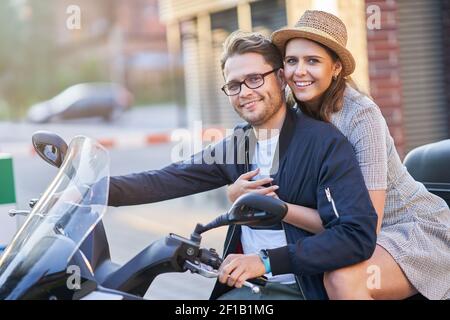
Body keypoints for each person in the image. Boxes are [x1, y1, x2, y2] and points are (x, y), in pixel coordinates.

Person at [108, 31, 378, 300]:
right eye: (234, 85)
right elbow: (165, 179)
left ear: (281, 78)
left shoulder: (324, 143)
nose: (245, 92)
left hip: (300, 289)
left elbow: (355, 236)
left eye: (254, 79)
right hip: (247, 287)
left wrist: (266, 261)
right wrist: (88, 188)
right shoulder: (240, 143)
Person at [228, 10, 450, 300]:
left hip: (411, 231)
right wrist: (238, 193)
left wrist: (279, 207)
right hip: (348, 234)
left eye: (313, 61)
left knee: (341, 277)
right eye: (292, 60)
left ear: (335, 69)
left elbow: (365, 227)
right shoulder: (293, 114)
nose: (300, 71)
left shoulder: (361, 116)